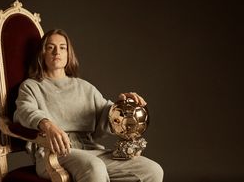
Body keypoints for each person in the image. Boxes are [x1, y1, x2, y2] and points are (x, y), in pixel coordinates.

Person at [13, 29, 163, 182]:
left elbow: (107, 114)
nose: (57, 52)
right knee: (94, 167)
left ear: (68, 54)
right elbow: (25, 110)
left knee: (151, 170)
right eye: (50, 47)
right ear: (42, 54)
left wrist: (123, 106)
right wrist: (47, 124)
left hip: (90, 150)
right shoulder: (31, 86)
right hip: (54, 152)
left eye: (62, 47)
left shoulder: (84, 87)